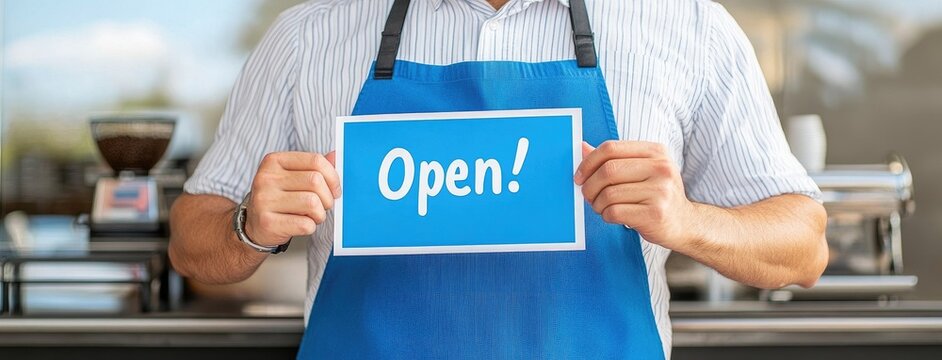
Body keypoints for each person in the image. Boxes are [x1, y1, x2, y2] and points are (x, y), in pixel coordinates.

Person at [169, 0, 828, 358]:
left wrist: (688, 219)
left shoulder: (687, 27)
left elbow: (803, 246)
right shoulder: (307, 37)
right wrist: (246, 226)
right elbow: (190, 246)